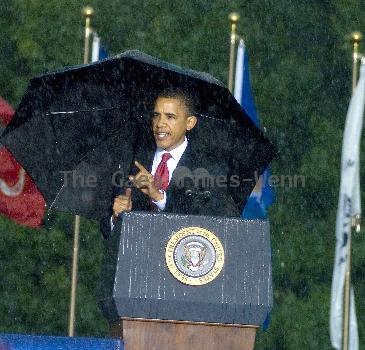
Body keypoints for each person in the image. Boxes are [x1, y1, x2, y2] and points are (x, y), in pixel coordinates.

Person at [100, 88, 241, 238]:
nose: (160, 123)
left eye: (170, 117)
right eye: (156, 115)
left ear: (190, 123)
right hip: (136, 256)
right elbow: (106, 229)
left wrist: (159, 198)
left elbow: (221, 223)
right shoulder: (131, 160)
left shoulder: (208, 167)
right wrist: (116, 218)